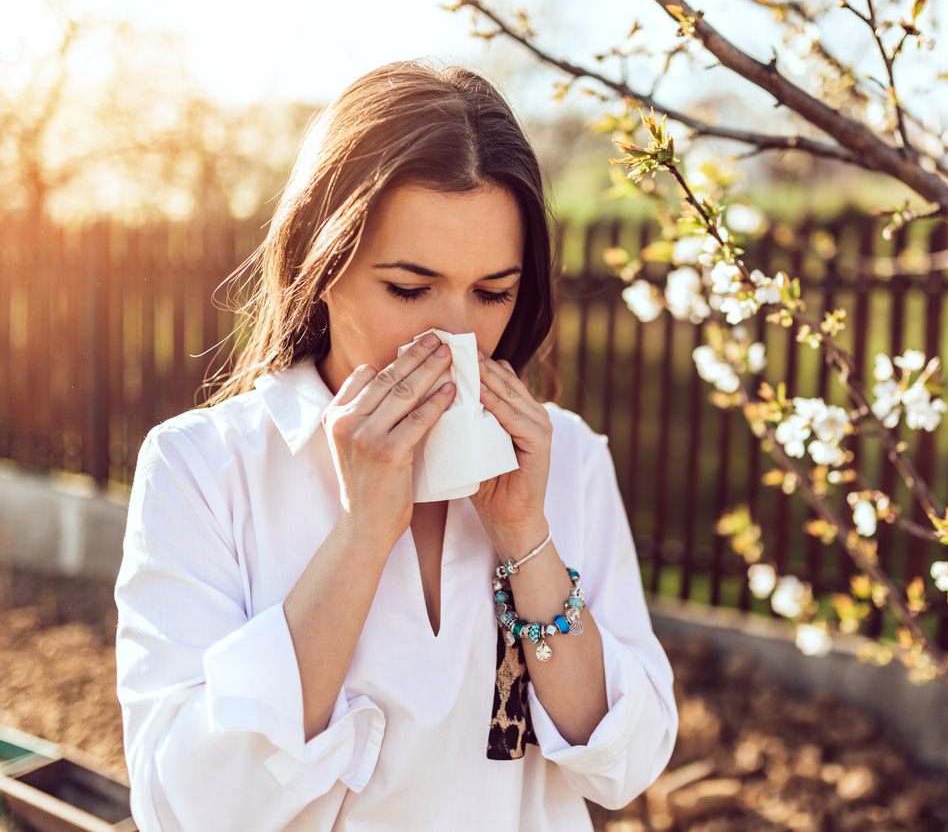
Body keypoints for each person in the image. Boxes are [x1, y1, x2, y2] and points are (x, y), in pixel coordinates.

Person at [113, 60, 677, 831]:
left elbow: (628, 762)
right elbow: (184, 807)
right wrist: (362, 535)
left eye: (493, 293)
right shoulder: (205, 468)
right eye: (410, 289)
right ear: (323, 268)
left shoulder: (567, 459)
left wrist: (525, 538)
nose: (455, 335)